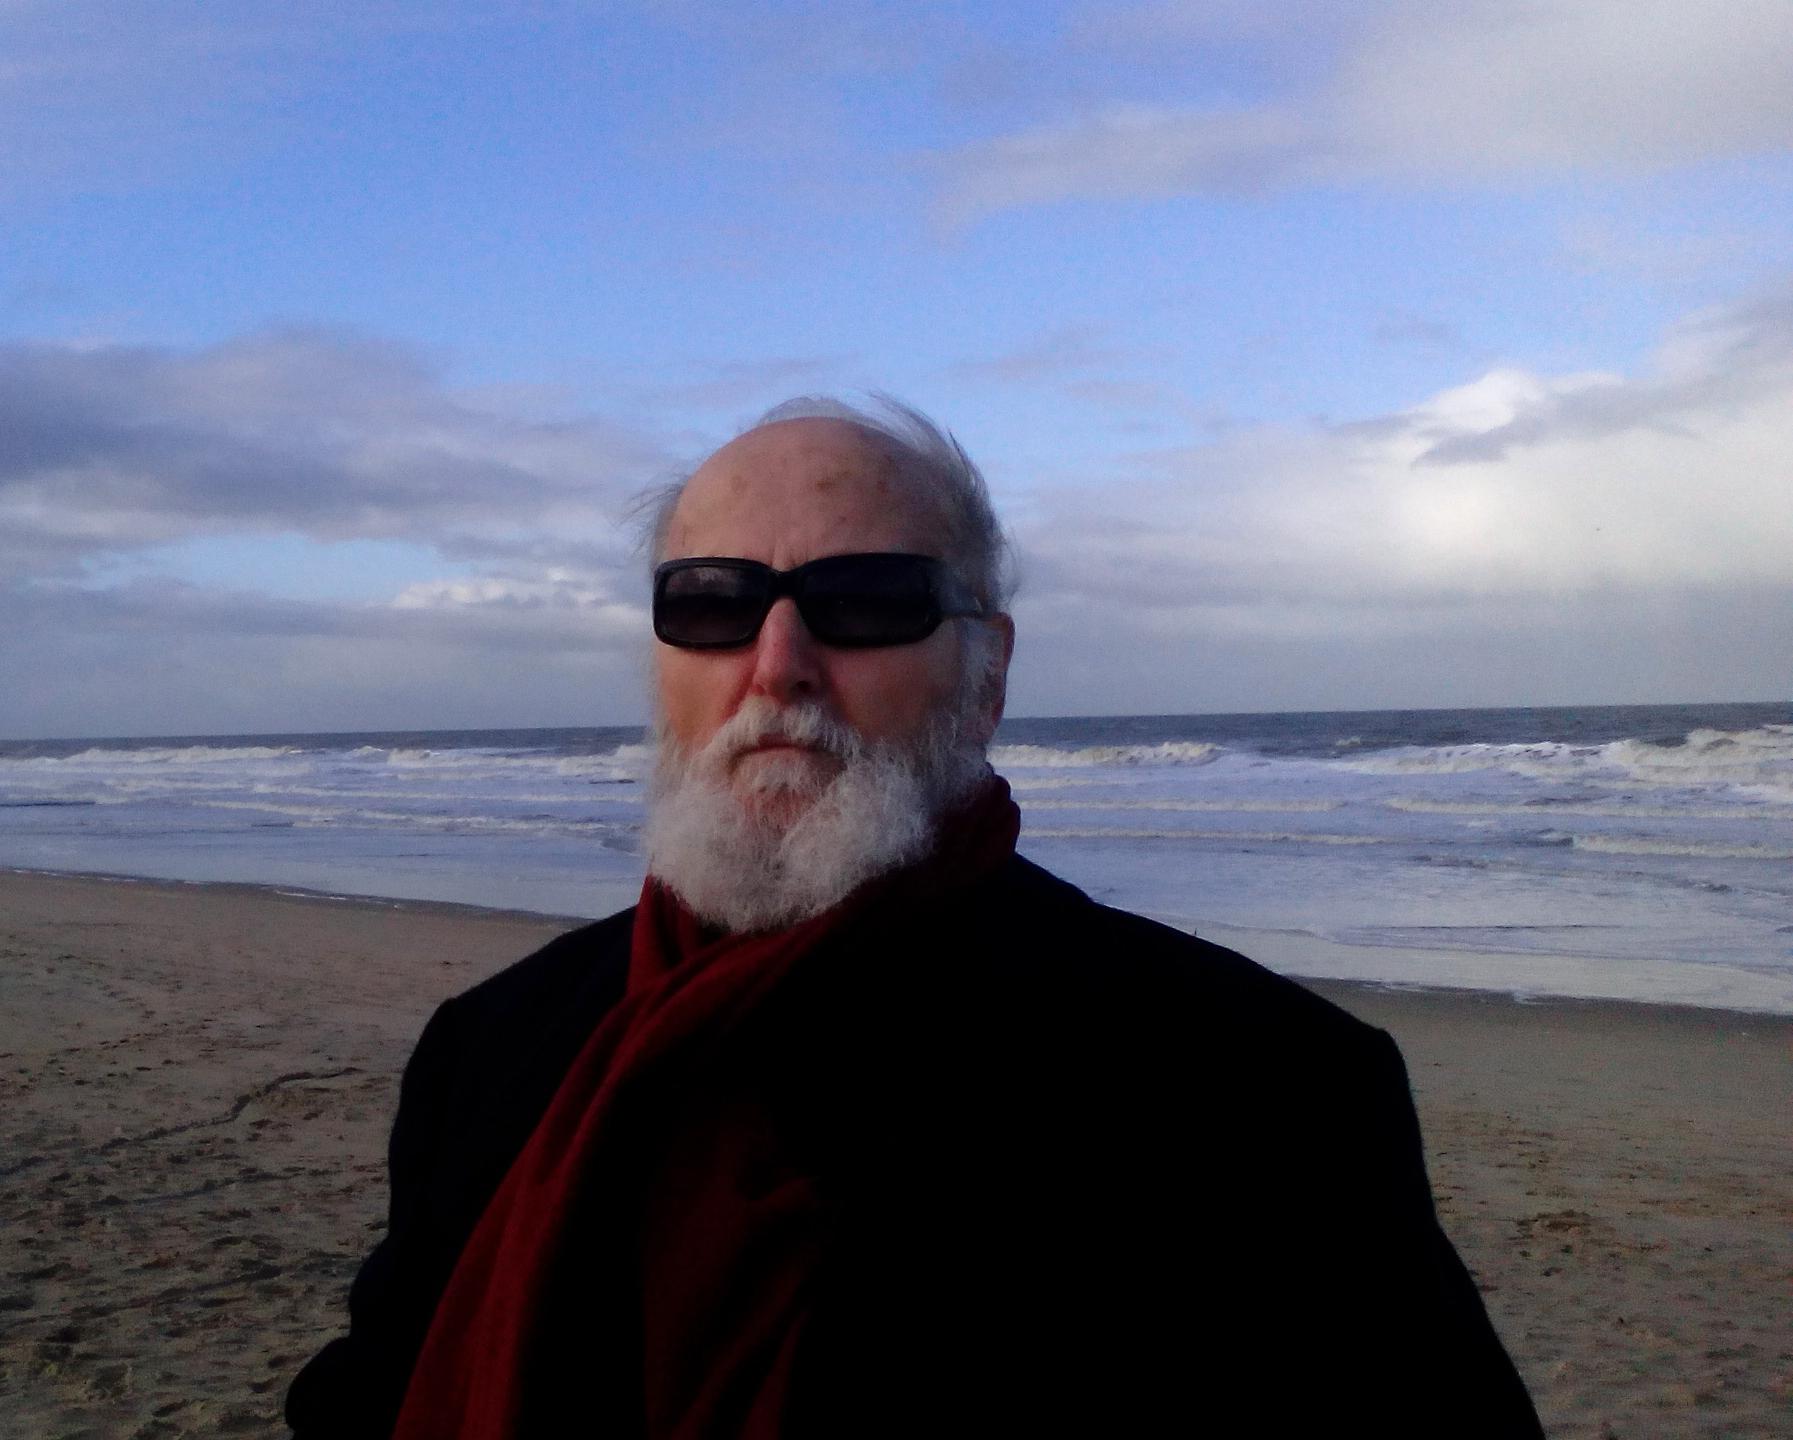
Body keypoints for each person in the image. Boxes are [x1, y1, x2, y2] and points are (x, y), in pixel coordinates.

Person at [288, 397, 1543, 1438]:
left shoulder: (1263, 1089)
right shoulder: (494, 1050)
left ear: (985, 672)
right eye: (712, 604)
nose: (776, 662)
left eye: (868, 600)